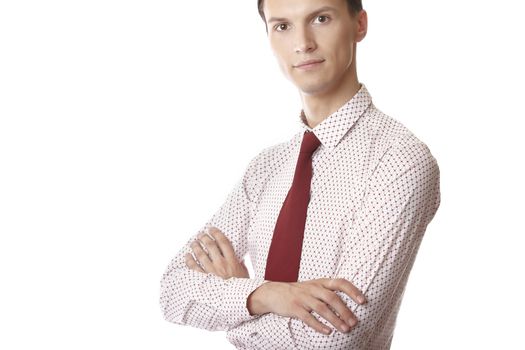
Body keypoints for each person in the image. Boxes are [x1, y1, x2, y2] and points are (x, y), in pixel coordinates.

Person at [159, 0, 440, 348]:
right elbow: (173, 290)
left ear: (359, 24)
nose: (302, 42)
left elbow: (333, 340)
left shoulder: (400, 160)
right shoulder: (265, 168)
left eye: (320, 18)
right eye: (282, 26)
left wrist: (237, 311)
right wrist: (264, 295)